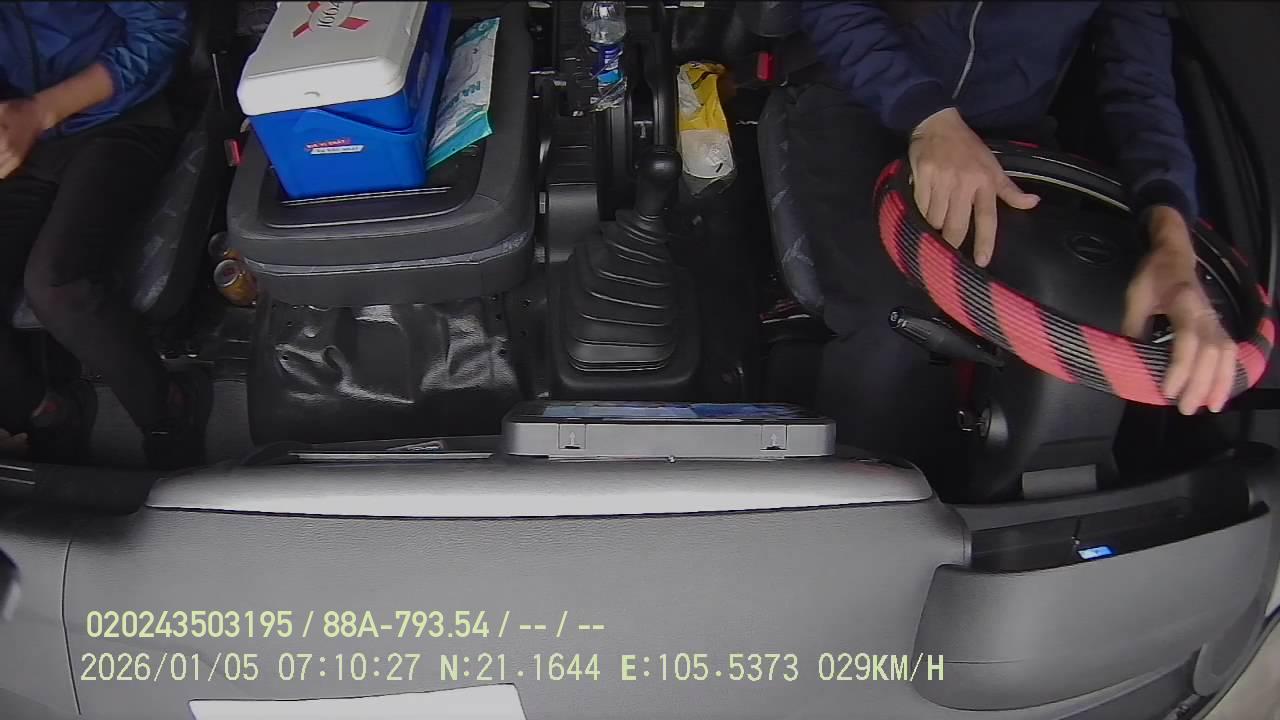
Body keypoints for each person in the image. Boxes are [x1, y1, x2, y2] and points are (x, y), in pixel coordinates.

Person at [790, 1, 1237, 468]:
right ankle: (863, 497)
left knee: (1082, 315)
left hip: (1014, 138)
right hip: (864, 100)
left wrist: (1172, 240)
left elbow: (1143, 87)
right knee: (891, 325)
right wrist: (930, 119)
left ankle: (1051, 492)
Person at [0, 2, 207, 469]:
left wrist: (39, 112)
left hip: (121, 117)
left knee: (57, 283)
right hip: (21, 143)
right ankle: (45, 413)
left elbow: (161, 32)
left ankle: (169, 409)